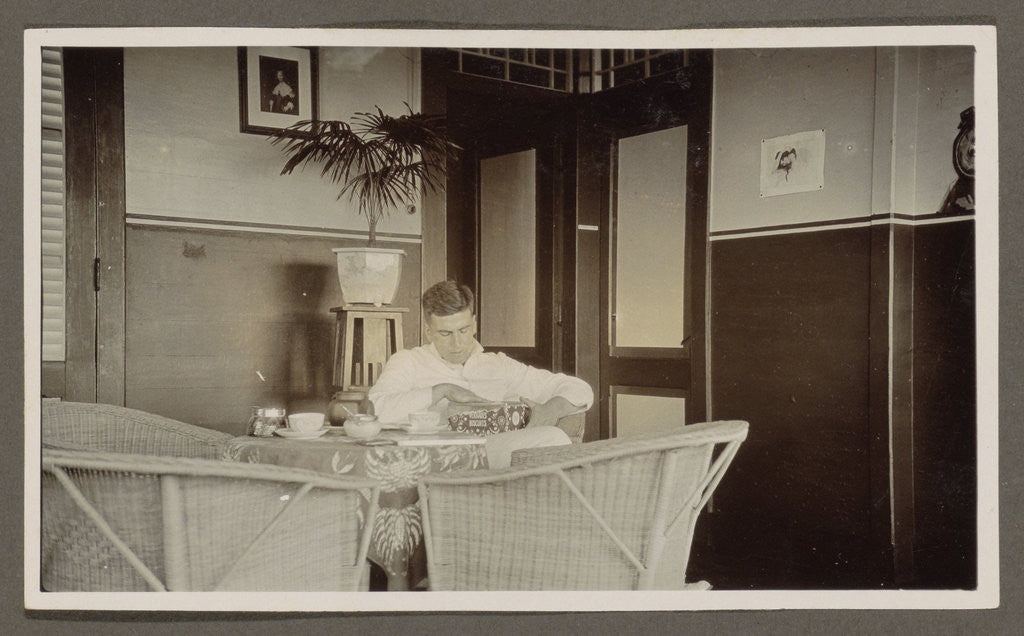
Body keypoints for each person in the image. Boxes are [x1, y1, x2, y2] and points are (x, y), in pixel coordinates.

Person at [368, 281, 593, 469]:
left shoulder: (498, 365)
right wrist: (442, 390)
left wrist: (550, 409)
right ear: (428, 332)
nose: (457, 343)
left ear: (474, 324)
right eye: (445, 333)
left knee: (554, 437)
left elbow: (579, 388)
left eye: (463, 330)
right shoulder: (409, 361)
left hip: (489, 455)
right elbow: (376, 410)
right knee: (555, 440)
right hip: (433, 458)